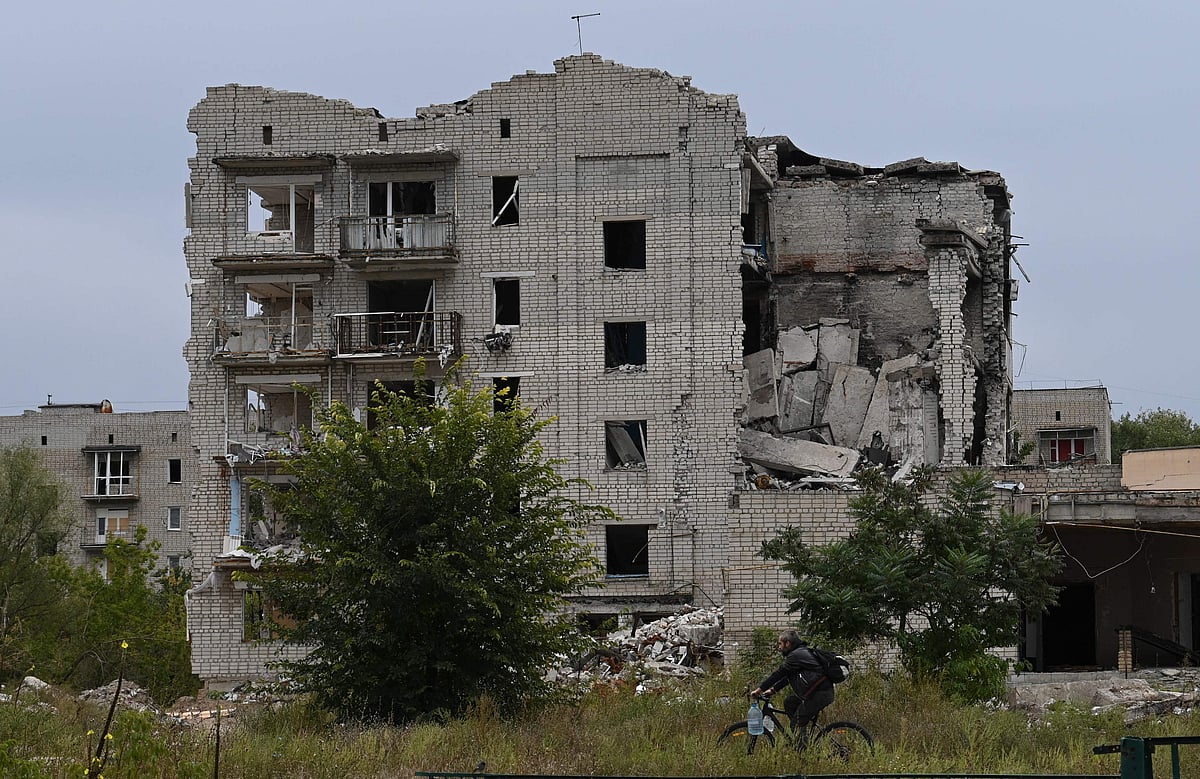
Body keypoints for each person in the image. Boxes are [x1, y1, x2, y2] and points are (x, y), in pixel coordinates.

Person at [750, 630, 834, 741]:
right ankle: (803, 735)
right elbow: (788, 675)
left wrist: (759, 690)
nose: (779, 647)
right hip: (816, 693)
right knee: (789, 703)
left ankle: (803, 748)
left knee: (797, 722)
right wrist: (773, 690)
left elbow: (779, 673)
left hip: (819, 694)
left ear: (787, 643)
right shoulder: (800, 653)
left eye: (780, 643)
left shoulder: (796, 655)